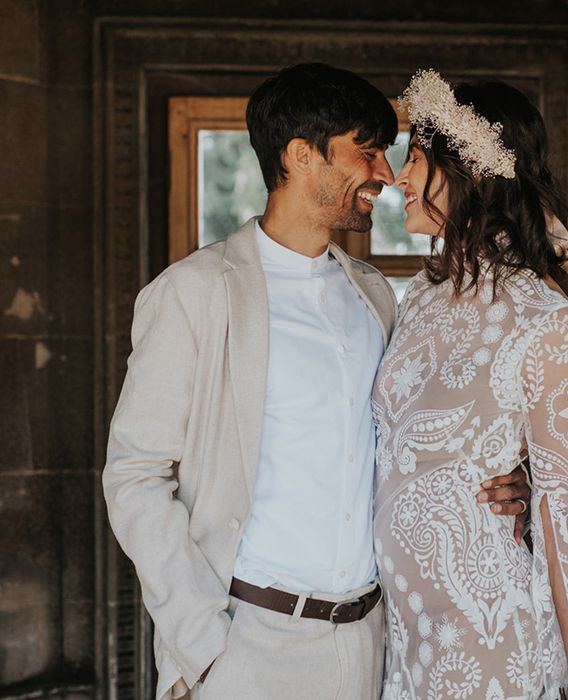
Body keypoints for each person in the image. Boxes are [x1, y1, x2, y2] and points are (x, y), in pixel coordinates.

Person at [102, 63, 529, 700]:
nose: (385, 175)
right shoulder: (193, 293)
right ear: (301, 155)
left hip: (369, 646)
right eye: (367, 151)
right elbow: (134, 475)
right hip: (244, 648)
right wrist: (202, 644)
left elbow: (415, 441)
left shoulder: (377, 297)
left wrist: (507, 477)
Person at [372, 70, 568, 700]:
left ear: (474, 173)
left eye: (416, 159)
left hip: (490, 638)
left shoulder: (548, 320)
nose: (398, 178)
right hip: (401, 639)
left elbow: (566, 512)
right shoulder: (420, 298)